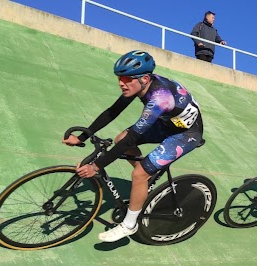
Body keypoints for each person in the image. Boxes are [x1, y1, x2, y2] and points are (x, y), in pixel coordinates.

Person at [62, 50, 204, 242]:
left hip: (186, 133)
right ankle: (145, 176)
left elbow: (133, 138)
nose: (121, 83)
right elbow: (112, 112)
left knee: (138, 174)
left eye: (127, 79)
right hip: (167, 123)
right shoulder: (139, 85)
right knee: (121, 139)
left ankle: (129, 224)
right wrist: (82, 137)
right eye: (120, 78)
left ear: (144, 78)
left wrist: (96, 166)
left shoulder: (159, 98)